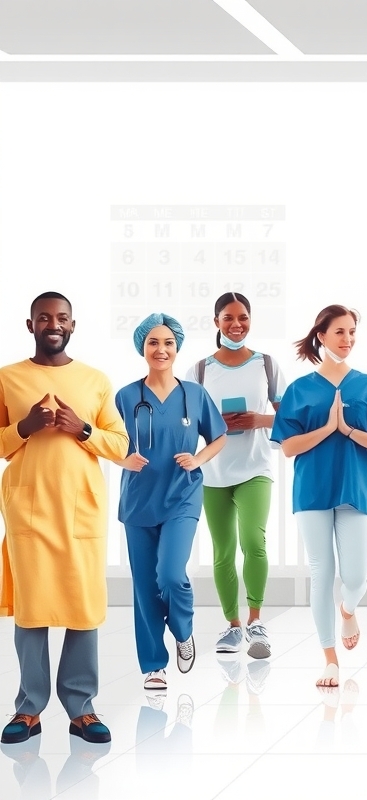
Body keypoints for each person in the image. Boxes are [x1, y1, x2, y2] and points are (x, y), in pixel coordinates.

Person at [0, 292, 129, 746]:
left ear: (72, 325)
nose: (52, 324)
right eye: (43, 318)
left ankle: (82, 708)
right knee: (33, 610)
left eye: (61, 318)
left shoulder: (94, 380)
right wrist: (24, 428)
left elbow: (119, 444)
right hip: (29, 509)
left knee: (82, 606)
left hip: (81, 509)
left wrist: (83, 430)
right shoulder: (8, 378)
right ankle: (29, 708)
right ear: (29, 325)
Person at [271, 305, 367, 688]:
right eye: (340, 332)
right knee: (321, 572)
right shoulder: (300, 389)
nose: (348, 339)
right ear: (321, 336)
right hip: (312, 491)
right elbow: (288, 447)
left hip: (354, 490)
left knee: (356, 576)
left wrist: (349, 430)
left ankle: (348, 608)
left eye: (353, 332)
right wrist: (327, 428)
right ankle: (330, 658)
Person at [115, 313, 227, 692]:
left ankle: (183, 630)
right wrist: (121, 459)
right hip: (138, 500)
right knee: (145, 585)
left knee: (171, 575)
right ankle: (153, 665)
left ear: (177, 348)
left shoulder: (194, 394)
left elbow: (219, 437)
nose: (160, 349)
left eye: (167, 343)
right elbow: (111, 442)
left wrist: (198, 459)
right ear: (142, 348)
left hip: (181, 496)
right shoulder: (127, 396)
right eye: (152, 343)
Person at [186, 292, 286, 660]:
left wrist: (259, 420)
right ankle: (232, 625)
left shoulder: (267, 365)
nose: (236, 324)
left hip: (255, 468)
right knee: (223, 551)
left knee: (253, 542)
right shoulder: (199, 370)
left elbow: (290, 417)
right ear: (216, 322)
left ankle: (256, 620)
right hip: (213, 472)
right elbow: (184, 422)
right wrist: (214, 426)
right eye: (228, 318)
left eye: (243, 317)